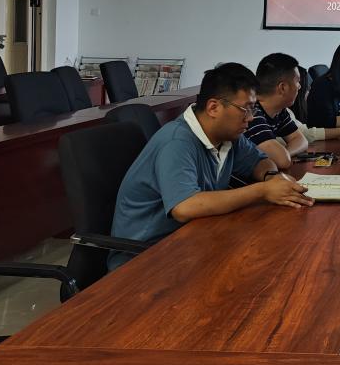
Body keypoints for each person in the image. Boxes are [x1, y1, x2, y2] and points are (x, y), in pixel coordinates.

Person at [108, 63, 313, 270]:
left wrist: (271, 177)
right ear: (213, 107)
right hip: (144, 258)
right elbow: (185, 207)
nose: (251, 118)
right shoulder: (177, 142)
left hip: (193, 240)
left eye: (254, 109)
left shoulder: (228, 136)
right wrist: (262, 190)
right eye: (246, 109)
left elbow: (260, 161)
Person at [244, 53, 308, 170]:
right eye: (297, 81)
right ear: (282, 87)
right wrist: (283, 155)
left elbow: (301, 141)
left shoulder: (279, 110)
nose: (299, 86)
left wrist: (285, 153)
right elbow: (282, 161)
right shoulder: (252, 113)